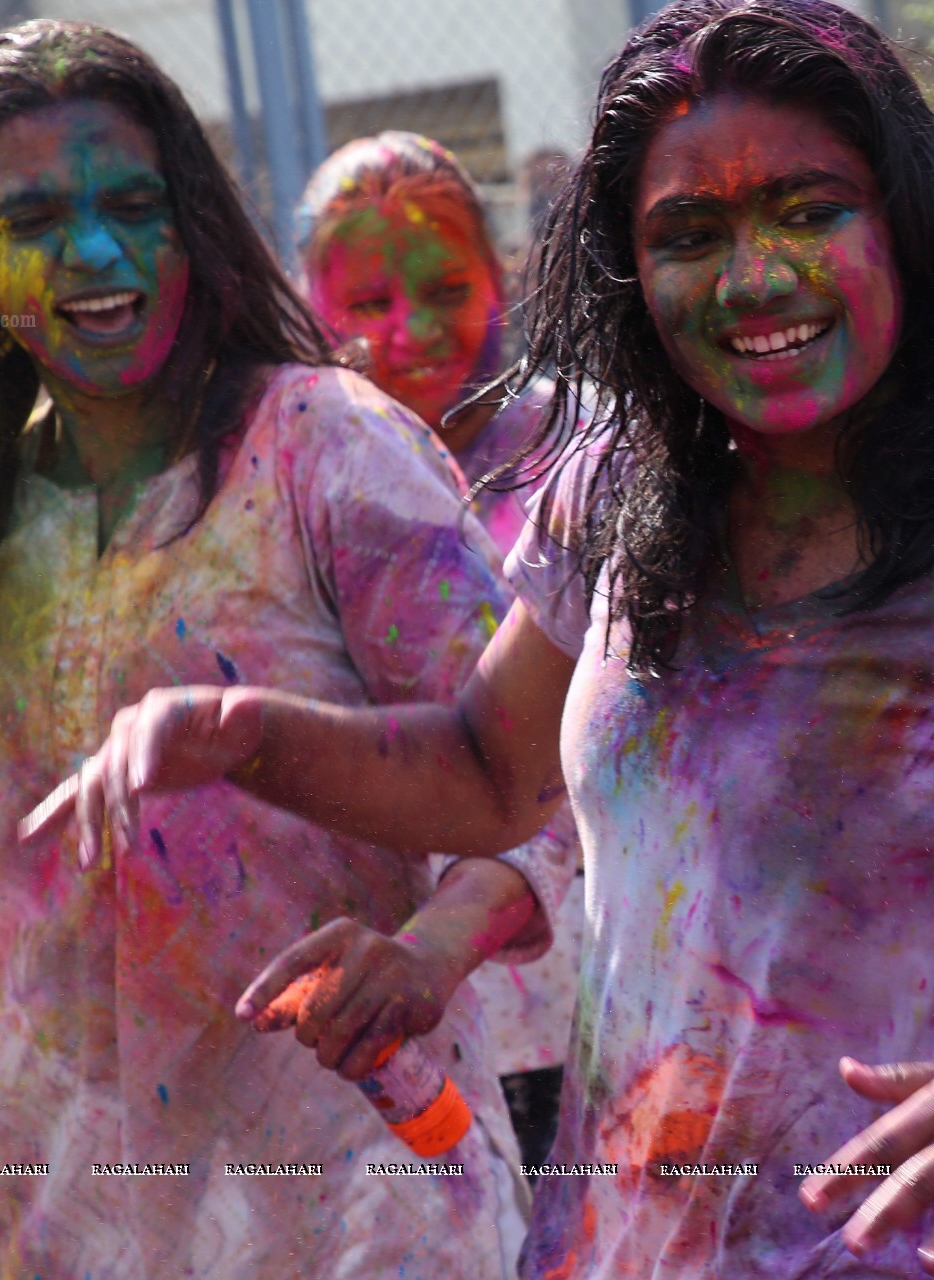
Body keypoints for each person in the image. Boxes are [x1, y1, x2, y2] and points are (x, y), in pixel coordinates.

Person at [29, 3, 934, 1278]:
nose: (755, 276)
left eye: (811, 210)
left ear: (907, 229)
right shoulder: (617, 495)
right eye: (690, 231)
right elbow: (489, 774)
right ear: (632, 272)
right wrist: (246, 735)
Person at [0, 20, 544, 1277]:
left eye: (134, 204)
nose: (93, 252)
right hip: (72, 1213)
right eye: (32, 219)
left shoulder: (325, 447)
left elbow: (533, 792)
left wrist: (426, 949)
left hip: (356, 1202)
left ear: (191, 224)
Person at [295, 129, 584, 1170]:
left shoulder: (585, 463)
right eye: (368, 304)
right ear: (311, 307)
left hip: (586, 995)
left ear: (498, 274)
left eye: (445, 285)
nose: (411, 332)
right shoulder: (297, 490)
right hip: (398, 1031)